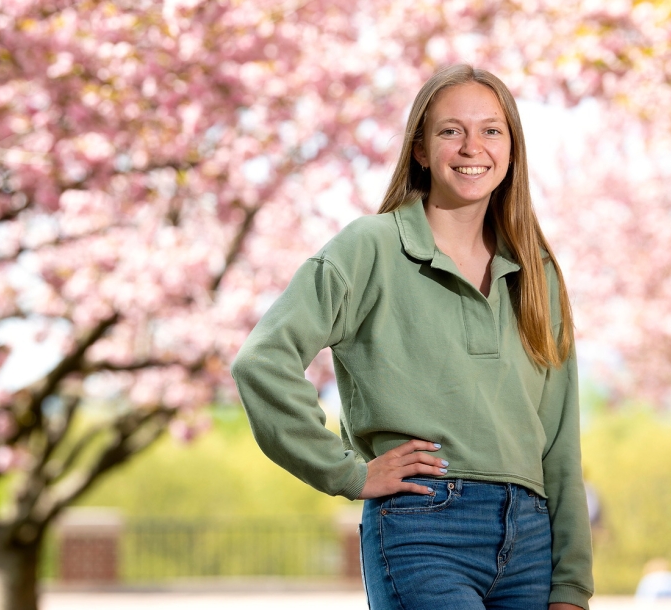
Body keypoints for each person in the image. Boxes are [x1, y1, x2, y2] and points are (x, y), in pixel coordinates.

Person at [231, 65, 593, 610]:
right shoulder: (369, 247)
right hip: (424, 528)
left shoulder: (537, 273)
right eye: (451, 130)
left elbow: (560, 442)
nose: (473, 146)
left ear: (513, 150)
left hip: (532, 543)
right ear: (420, 149)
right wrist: (347, 472)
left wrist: (571, 585)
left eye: (492, 130)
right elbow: (262, 362)